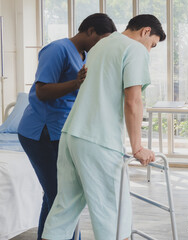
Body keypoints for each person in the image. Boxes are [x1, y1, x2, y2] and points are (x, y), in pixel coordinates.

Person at [41, 14, 166, 240]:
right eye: (153, 45)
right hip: (99, 139)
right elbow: (133, 100)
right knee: (113, 214)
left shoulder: (100, 46)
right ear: (146, 31)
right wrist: (138, 147)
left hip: (71, 135)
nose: (149, 51)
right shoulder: (135, 49)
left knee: (64, 207)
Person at [17, 13, 117, 240]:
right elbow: (42, 91)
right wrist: (76, 82)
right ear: (90, 31)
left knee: (56, 194)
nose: (101, 46)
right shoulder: (58, 49)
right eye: (101, 40)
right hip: (40, 132)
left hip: (60, 131)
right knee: (61, 196)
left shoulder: (84, 55)